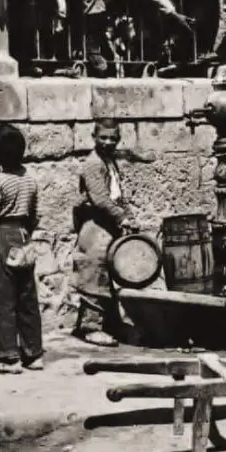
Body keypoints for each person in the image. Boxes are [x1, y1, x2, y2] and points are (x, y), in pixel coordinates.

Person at [0, 125, 42, 374]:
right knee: (27, 297)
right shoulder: (29, 178)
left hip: (2, 238)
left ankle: (8, 355)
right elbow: (36, 214)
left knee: (3, 299)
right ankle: (33, 353)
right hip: (23, 236)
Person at [74, 119, 138, 347]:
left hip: (108, 226)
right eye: (103, 137)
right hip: (95, 227)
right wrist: (121, 217)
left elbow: (118, 196)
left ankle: (108, 324)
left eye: (113, 138)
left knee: (107, 277)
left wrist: (129, 216)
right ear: (94, 137)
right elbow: (100, 198)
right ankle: (91, 327)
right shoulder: (93, 164)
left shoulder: (109, 162)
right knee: (94, 273)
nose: (108, 142)